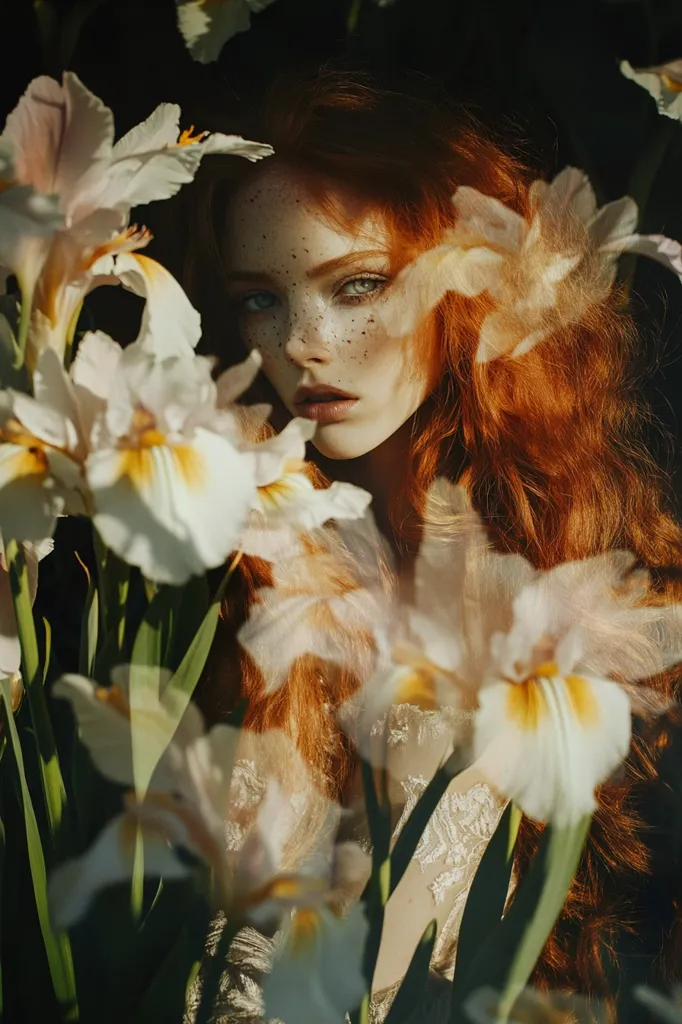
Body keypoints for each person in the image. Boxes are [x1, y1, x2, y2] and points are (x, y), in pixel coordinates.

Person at [178, 66, 682, 1022]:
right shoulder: (222, 568)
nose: (304, 343)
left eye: (358, 284)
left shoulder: (609, 608)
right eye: (260, 300)